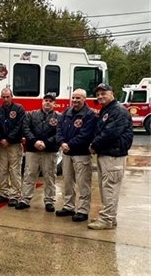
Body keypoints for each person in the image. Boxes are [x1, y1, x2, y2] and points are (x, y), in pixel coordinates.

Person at [88, 83, 133, 230]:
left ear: (112, 93)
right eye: (98, 94)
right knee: (106, 187)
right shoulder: (107, 110)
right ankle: (110, 217)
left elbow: (110, 133)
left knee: (110, 188)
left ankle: (106, 220)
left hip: (113, 155)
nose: (100, 96)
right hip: (107, 154)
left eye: (103, 93)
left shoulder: (118, 110)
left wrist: (94, 145)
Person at [55, 88, 97, 223]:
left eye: (78, 98)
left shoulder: (89, 115)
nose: (75, 100)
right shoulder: (66, 112)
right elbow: (59, 129)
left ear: (84, 99)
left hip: (81, 154)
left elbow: (85, 135)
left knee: (83, 183)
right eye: (73, 98)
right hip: (67, 154)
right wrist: (61, 142)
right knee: (67, 181)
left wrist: (69, 145)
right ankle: (68, 206)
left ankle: (83, 210)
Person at [16, 94, 60, 212]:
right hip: (32, 150)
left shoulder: (59, 117)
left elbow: (59, 133)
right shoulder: (31, 114)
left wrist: (46, 143)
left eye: (50, 101)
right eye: (46, 100)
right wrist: (35, 142)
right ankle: (25, 199)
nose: (48, 103)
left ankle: (49, 201)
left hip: (49, 151)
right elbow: (25, 129)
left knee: (50, 176)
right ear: (42, 102)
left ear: (54, 104)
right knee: (29, 175)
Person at [0, 88, 25, 207]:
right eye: (3, 97)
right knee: (2, 170)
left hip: (14, 144)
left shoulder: (19, 109)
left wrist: (9, 139)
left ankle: (15, 195)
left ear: (12, 96)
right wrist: (0, 139)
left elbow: (20, 126)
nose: (5, 99)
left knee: (14, 170)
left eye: (7, 96)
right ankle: (4, 193)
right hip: (2, 145)